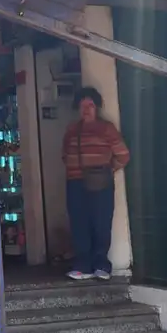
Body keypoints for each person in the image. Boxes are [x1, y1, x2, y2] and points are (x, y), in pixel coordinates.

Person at [61, 87, 131, 281]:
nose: (86, 109)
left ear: (96, 107)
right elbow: (64, 154)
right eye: (83, 105)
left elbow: (123, 155)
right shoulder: (72, 130)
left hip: (101, 184)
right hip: (75, 183)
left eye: (90, 105)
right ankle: (82, 265)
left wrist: (107, 171)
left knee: (101, 223)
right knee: (79, 223)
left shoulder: (106, 128)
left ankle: (101, 265)